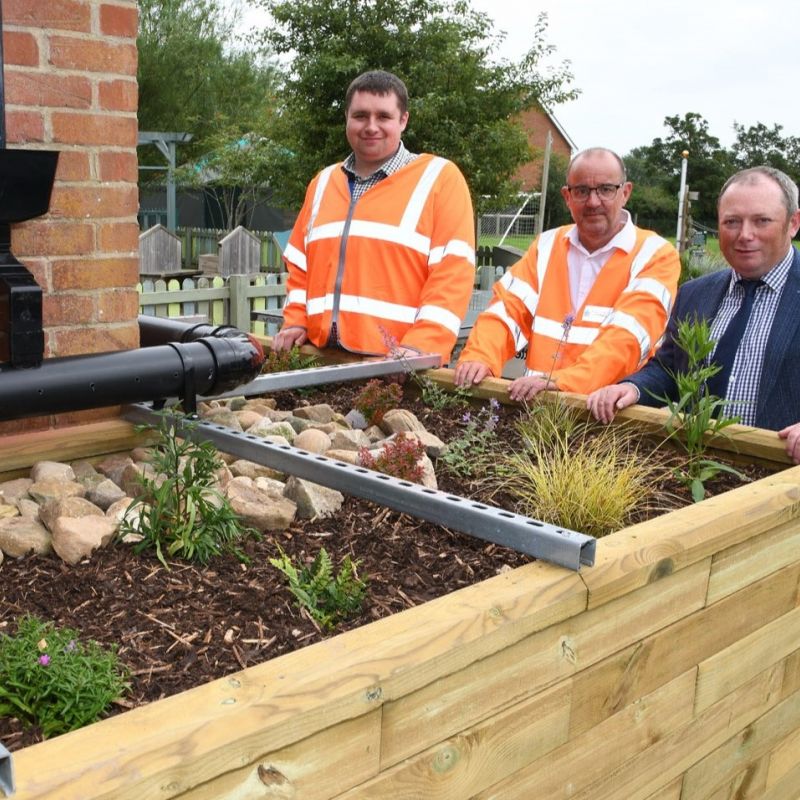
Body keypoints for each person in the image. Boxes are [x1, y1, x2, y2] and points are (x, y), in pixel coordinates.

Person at [586, 166, 800, 464]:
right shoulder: (695, 294)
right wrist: (631, 388)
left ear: (793, 223)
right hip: (696, 469)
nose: (745, 235)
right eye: (732, 222)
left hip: (781, 483)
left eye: (762, 221)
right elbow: (670, 368)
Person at [273, 70, 475, 363]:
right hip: (322, 357)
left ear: (403, 120)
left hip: (399, 366)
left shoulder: (439, 179)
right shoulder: (322, 183)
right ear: (347, 118)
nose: (371, 126)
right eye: (360, 116)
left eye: (383, 116)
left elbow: (453, 272)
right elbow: (300, 265)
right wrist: (295, 320)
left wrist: (421, 346)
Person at [454, 147, 680, 401]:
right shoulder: (547, 246)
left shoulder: (655, 254)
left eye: (606, 189)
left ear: (625, 192)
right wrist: (480, 357)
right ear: (567, 197)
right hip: (537, 410)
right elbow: (507, 311)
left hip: (611, 418)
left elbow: (625, 340)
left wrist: (565, 382)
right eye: (582, 191)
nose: (593, 202)